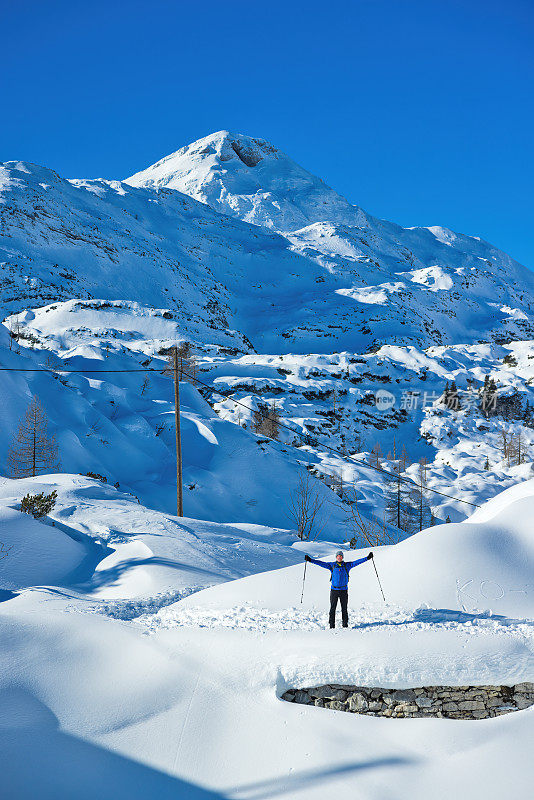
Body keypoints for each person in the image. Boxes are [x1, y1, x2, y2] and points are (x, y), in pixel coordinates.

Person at [305, 550, 373, 629]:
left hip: (344, 591)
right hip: (334, 591)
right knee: (332, 608)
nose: (339, 557)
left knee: (344, 608)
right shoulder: (332, 565)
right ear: (336, 557)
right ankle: (331, 626)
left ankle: (345, 625)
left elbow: (357, 562)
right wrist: (310, 560)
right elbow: (321, 563)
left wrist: (367, 558)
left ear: (342, 557)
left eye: (341, 556)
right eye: (338, 556)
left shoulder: (347, 565)